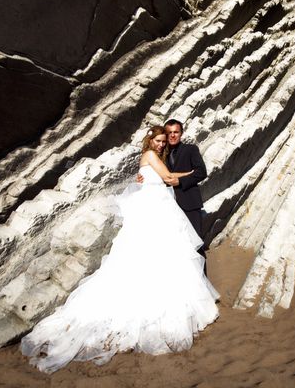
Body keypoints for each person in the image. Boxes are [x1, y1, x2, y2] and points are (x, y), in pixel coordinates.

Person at [20, 126, 219, 373]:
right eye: (157, 140)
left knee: (171, 251)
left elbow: (154, 177)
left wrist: (169, 175)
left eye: (162, 140)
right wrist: (187, 173)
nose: (160, 143)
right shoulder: (152, 156)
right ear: (150, 140)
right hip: (156, 208)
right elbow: (168, 178)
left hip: (161, 205)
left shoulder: (157, 156)